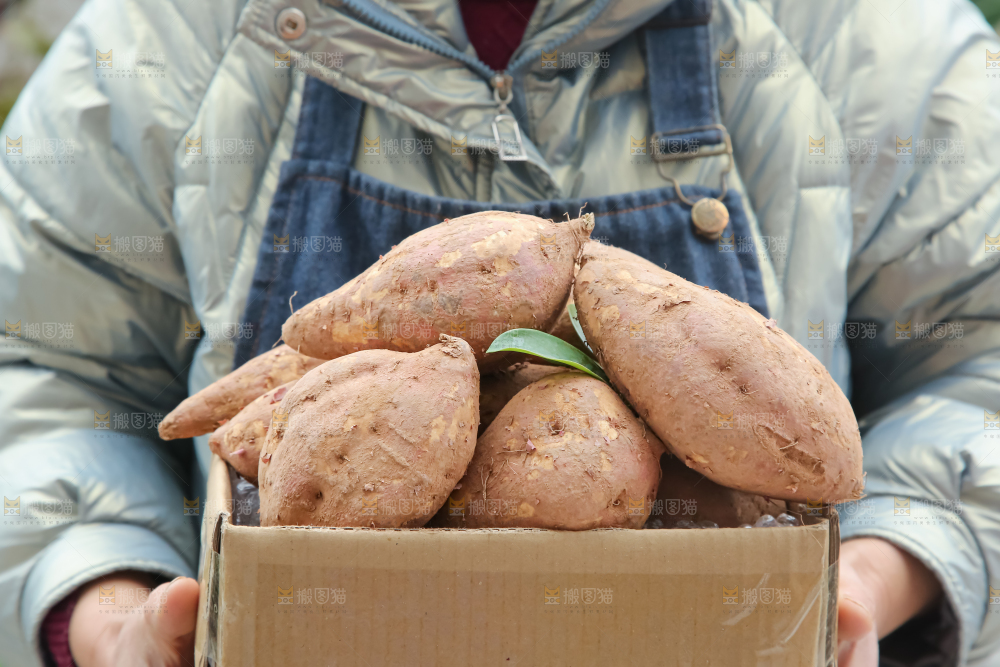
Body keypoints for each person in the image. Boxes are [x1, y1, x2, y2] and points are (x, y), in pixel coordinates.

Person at [1, 0, 998, 665]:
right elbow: (39, 366)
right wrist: (103, 603)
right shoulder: (167, 34)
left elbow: (978, 356)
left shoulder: (871, 36)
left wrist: (886, 568)